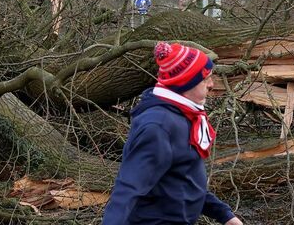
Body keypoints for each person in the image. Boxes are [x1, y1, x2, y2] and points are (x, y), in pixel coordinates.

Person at [102, 42, 243, 225]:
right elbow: (128, 188)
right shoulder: (157, 126)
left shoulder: (186, 116)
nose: (211, 84)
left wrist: (224, 214)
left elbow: (182, 177)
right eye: (205, 78)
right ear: (186, 82)